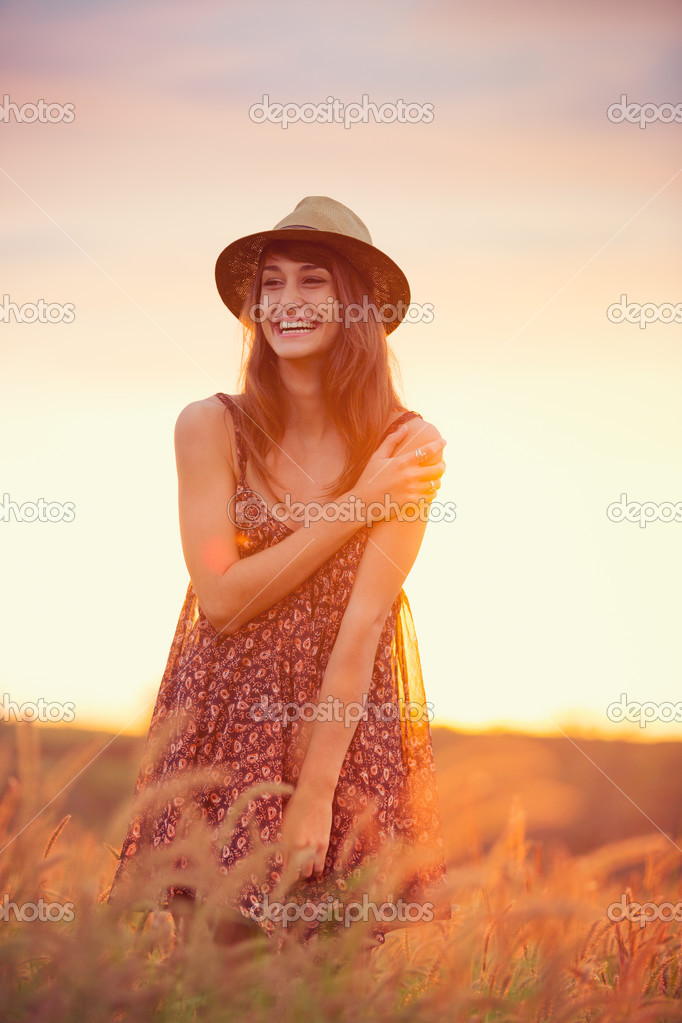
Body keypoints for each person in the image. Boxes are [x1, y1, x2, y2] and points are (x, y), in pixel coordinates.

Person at [104, 196, 451, 951]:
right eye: (271, 284)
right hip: (224, 729)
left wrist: (316, 793)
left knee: (328, 978)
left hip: (347, 731)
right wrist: (357, 504)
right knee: (216, 970)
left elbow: (364, 623)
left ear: (355, 302)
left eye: (313, 282)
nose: (285, 303)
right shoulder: (208, 425)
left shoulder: (406, 444)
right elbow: (222, 600)